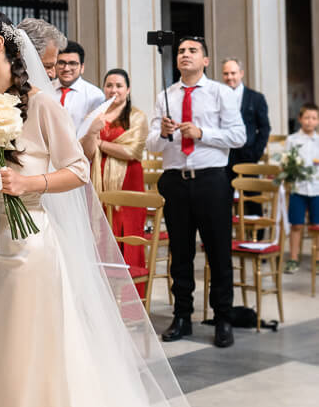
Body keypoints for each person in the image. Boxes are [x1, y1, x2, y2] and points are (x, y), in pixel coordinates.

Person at [0, 12, 319, 407]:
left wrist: (29, 182)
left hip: (31, 251)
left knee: (31, 365)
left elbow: (77, 169)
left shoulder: (42, 103)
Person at [146, 36, 245, 348]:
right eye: (181, 52)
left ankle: (223, 317)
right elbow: (151, 145)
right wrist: (162, 133)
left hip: (211, 179)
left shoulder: (220, 92)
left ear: (205, 60)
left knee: (218, 251)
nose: (185, 55)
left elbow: (238, 136)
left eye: (192, 51)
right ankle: (183, 316)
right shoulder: (166, 96)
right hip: (176, 179)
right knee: (181, 253)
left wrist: (203, 133)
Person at [81, 69, 148, 293]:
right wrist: (91, 134)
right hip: (97, 181)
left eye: (119, 85)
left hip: (128, 180)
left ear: (127, 90)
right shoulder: (96, 115)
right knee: (100, 233)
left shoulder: (137, 116)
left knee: (127, 235)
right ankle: (103, 297)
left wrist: (102, 144)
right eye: (109, 85)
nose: (114, 90)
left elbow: (133, 151)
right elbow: (86, 152)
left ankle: (130, 302)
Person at [284, 103, 319, 274]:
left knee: (317, 225)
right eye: (306, 117)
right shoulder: (292, 140)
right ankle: (293, 258)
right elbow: (287, 162)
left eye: (313, 118)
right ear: (300, 119)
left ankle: (318, 259)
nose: (309, 121)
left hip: (317, 189)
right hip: (298, 188)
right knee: (296, 225)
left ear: (318, 121)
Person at [221, 57, 271, 174]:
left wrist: (256, 154)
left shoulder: (256, 98)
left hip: (248, 156)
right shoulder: (217, 97)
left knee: (252, 193)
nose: (229, 77)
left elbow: (265, 128)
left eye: (233, 73)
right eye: (226, 74)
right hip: (224, 156)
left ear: (241, 73)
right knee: (224, 192)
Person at [53, 41, 104, 134]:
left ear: (82, 67)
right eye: (61, 63)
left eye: (72, 63)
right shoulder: (45, 89)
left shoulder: (95, 95)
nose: (66, 68)